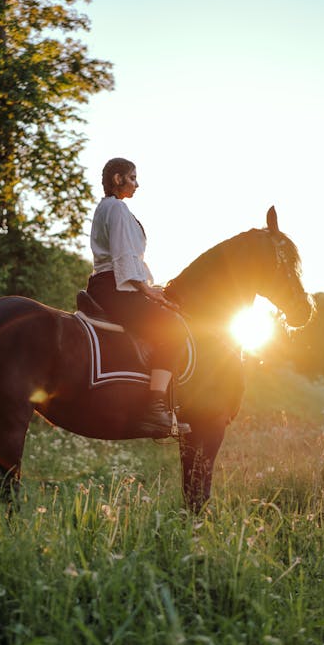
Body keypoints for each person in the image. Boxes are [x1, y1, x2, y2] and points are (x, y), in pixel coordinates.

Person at [86, 157, 190, 437]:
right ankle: (155, 407)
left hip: (107, 283)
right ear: (117, 179)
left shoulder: (105, 207)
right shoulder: (117, 208)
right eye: (132, 178)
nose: (137, 184)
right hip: (116, 286)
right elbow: (123, 254)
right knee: (174, 329)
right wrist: (146, 290)